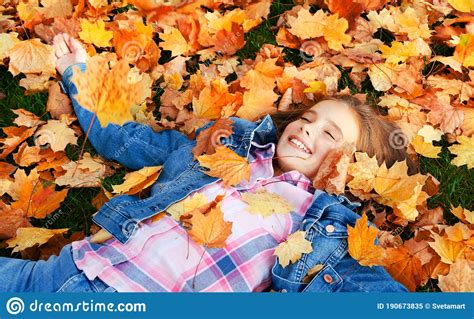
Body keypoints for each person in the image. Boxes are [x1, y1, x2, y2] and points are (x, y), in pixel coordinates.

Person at [0, 33, 413, 293]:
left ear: (357, 168)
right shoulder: (224, 146)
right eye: (307, 119)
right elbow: (127, 139)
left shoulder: (326, 228)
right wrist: (79, 74)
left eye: (329, 136)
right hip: (66, 273)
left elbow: (369, 293)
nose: (307, 130)